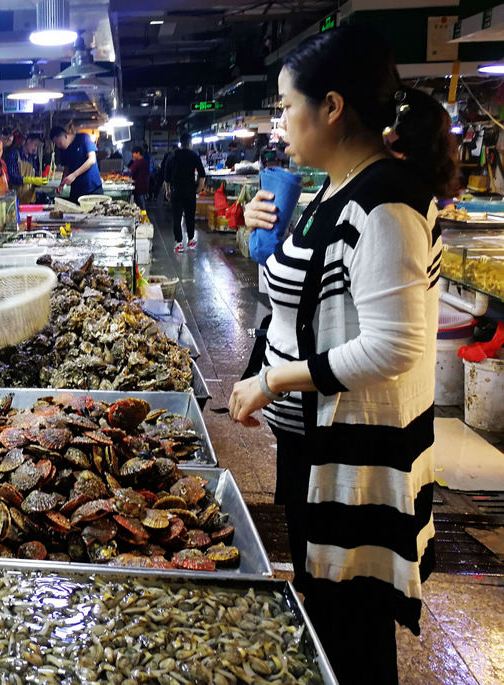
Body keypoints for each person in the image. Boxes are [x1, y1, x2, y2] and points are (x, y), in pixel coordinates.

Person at [228, 25, 454, 684]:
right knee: (328, 608)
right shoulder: (331, 186)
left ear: (331, 106)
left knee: (351, 628)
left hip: (356, 458)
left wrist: (274, 379)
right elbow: (292, 293)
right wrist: (258, 234)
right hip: (317, 445)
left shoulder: (384, 202)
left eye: (286, 104)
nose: (280, 121)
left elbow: (393, 345)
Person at [163, 132, 206, 252]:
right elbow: (202, 175)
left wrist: (167, 191)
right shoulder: (194, 155)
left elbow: (166, 177)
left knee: (176, 217)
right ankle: (191, 239)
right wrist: (199, 188)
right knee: (190, 216)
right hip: (190, 191)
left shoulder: (172, 156)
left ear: (180, 143)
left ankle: (179, 243)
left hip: (176, 191)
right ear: (190, 143)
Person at [49, 126, 103, 201]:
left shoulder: (83, 138)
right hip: (76, 191)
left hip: (92, 188)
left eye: (58, 142)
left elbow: (92, 160)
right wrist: (62, 184)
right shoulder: (64, 150)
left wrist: (74, 175)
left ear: (65, 136)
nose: (58, 146)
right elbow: (67, 168)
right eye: (56, 144)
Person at [5, 132, 45, 203]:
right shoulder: (14, 154)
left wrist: (38, 182)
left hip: (30, 199)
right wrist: (28, 180)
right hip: (16, 199)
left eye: (37, 147)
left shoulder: (32, 158)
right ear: (28, 141)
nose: (35, 149)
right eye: (35, 145)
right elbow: (12, 177)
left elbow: (34, 176)